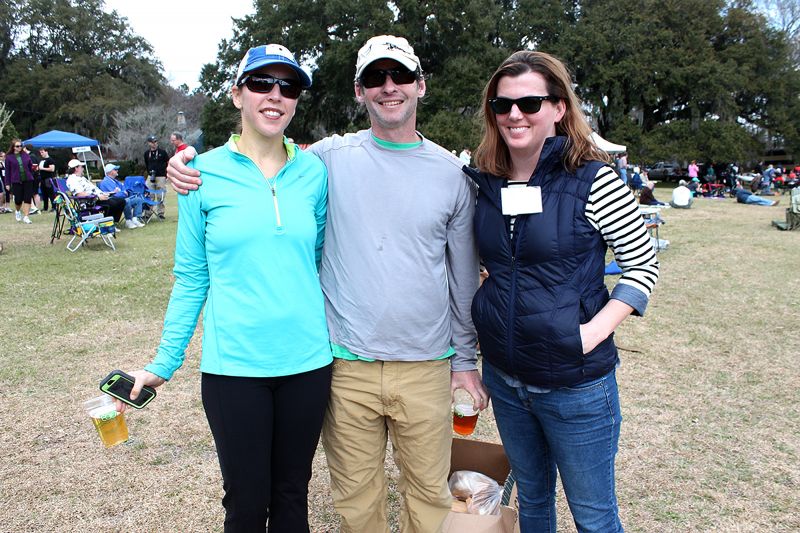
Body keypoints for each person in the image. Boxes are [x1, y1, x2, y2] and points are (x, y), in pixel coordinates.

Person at [168, 34, 487, 533]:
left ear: (420, 86)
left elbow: (464, 278)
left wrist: (466, 361)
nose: (389, 87)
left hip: (427, 365)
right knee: (357, 502)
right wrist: (186, 162)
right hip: (345, 366)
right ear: (358, 91)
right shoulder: (326, 161)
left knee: (428, 496)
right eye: (375, 78)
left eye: (400, 76)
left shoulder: (451, 173)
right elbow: (264, 153)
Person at [120, 44, 332, 532]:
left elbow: (317, 260)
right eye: (261, 84)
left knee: (291, 497)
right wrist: (164, 363)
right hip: (234, 369)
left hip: (308, 364)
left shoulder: (315, 172)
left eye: (288, 87)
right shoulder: (200, 174)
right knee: (244, 503)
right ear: (238, 95)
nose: (275, 95)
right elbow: (192, 277)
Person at [465, 50, 659, 533]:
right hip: (507, 380)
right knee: (532, 499)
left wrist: (591, 333)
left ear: (558, 108)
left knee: (593, 516)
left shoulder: (595, 180)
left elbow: (642, 264)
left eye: (530, 103)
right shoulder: (484, 184)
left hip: (575, 385)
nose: (515, 114)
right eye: (502, 104)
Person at [98, 163, 145, 228]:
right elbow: (115, 195)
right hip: (114, 201)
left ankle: (135, 219)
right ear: (111, 172)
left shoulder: (116, 181)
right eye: (115, 169)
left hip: (122, 199)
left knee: (138, 200)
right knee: (127, 200)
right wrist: (122, 193)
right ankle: (128, 220)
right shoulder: (105, 182)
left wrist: (122, 192)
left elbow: (124, 189)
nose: (117, 171)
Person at [4, 139, 36, 224]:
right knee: (18, 199)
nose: (19, 148)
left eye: (21, 146)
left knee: (27, 198)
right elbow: (7, 171)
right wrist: (7, 183)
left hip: (28, 180)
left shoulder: (25, 155)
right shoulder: (9, 157)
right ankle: (17, 211)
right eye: (17, 146)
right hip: (16, 181)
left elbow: (30, 166)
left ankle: (26, 216)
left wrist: (31, 173)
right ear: (13, 147)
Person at [143, 135, 169, 219]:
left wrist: (166, 174)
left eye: (155, 142)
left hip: (161, 176)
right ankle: (148, 213)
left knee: (160, 195)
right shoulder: (147, 153)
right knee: (149, 194)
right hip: (151, 176)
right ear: (149, 143)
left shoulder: (162, 152)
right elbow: (147, 164)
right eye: (152, 142)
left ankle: (160, 213)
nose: (154, 144)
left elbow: (168, 163)